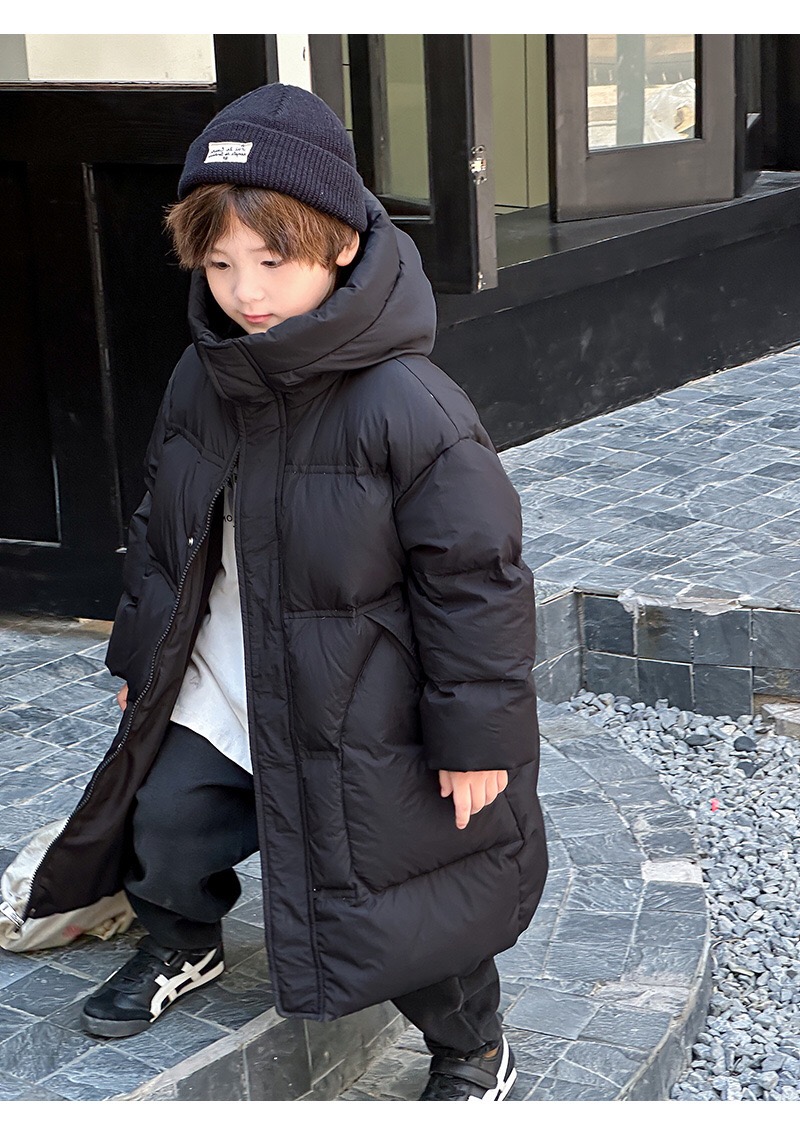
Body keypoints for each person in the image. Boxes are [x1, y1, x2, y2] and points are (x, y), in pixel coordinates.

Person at [24, 84, 548, 1101]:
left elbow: (476, 581)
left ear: (341, 245)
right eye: (220, 264)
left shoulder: (409, 404)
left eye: (273, 261)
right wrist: (142, 661)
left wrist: (477, 737)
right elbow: (161, 529)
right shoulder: (203, 377)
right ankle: (183, 941)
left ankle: (473, 1048)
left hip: (360, 711)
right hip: (224, 682)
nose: (245, 291)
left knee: (400, 890)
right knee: (164, 823)